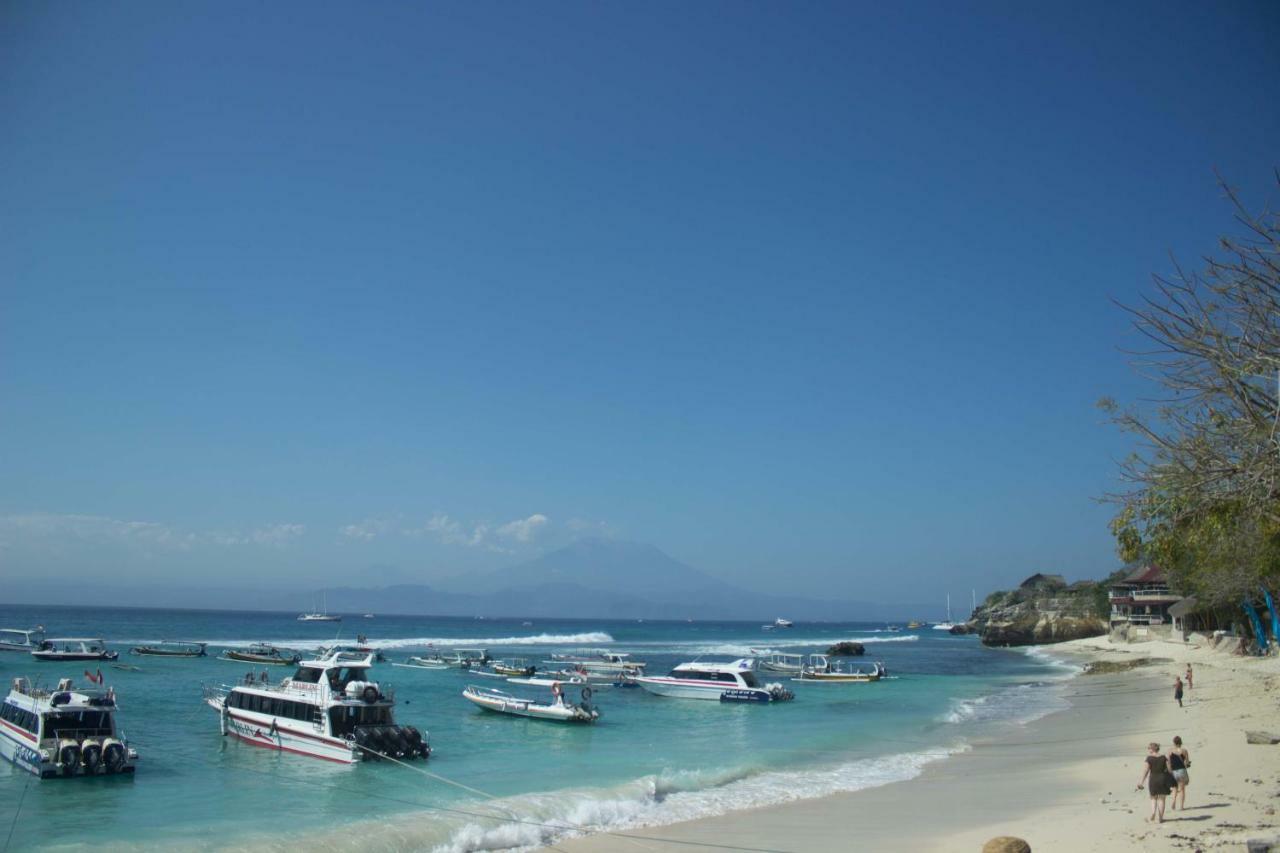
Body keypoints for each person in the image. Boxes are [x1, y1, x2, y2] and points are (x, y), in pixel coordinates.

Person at [1137, 741, 1173, 823]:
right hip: (1162, 778)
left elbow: (1146, 771)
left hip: (1153, 779)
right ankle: (1160, 818)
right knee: (1162, 799)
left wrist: (1141, 782)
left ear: (1152, 749)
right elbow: (1170, 769)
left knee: (1153, 798)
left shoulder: (1149, 758)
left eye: (1148, 748)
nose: (1148, 750)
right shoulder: (1164, 757)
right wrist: (1171, 778)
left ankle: (1153, 812)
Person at [1168, 736, 1191, 810]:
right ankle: (1181, 806)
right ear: (1181, 742)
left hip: (1174, 771)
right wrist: (1187, 764)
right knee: (1182, 789)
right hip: (1182, 770)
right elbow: (1187, 762)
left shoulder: (1170, 751)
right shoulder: (1184, 751)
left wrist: (1170, 771)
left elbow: (1168, 762)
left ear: (1174, 742)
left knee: (1175, 788)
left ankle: (1174, 801)